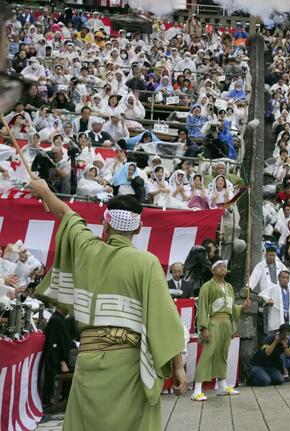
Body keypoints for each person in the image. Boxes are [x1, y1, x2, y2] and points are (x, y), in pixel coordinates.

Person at [32, 180, 188, 431]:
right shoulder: (146, 263)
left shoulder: (86, 249)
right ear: (138, 229)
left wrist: (44, 192)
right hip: (127, 364)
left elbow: (66, 214)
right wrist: (178, 366)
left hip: (89, 360)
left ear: (105, 224)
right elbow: (164, 320)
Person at [191, 259, 250, 401]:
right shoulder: (207, 286)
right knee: (208, 354)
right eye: (220, 266)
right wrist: (204, 328)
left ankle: (222, 385)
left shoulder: (229, 286)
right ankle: (197, 389)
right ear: (213, 270)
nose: (223, 268)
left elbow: (230, 307)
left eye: (225, 266)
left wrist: (241, 307)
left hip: (226, 323)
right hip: (213, 323)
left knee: (223, 354)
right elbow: (203, 308)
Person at [40, 303, 78, 406]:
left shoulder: (59, 319)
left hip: (61, 358)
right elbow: (55, 342)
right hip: (57, 359)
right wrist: (62, 361)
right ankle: (50, 401)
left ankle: (64, 397)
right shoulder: (56, 320)